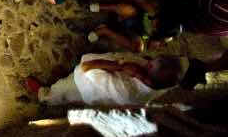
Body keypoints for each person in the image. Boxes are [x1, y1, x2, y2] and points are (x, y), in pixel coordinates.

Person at [26, 52, 187, 106]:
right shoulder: (156, 82)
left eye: (150, 63)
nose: (147, 62)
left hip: (83, 86)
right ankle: (63, 77)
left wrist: (120, 66)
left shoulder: (125, 92)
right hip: (92, 79)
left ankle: (43, 95)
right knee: (67, 78)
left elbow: (87, 67)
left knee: (60, 91)